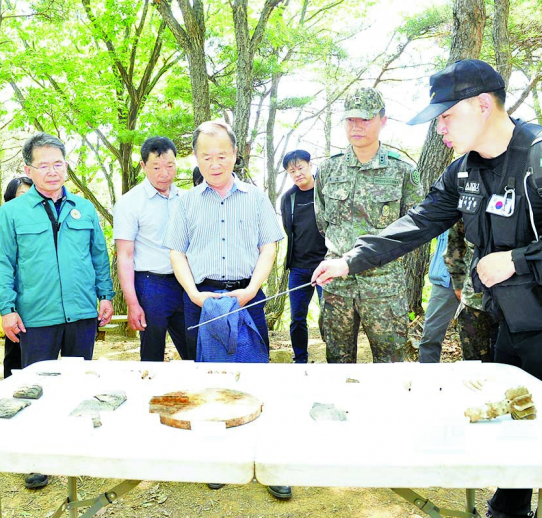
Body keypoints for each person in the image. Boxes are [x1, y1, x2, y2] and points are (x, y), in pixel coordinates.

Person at [312, 59, 542, 518]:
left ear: (483, 105)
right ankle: (509, 505)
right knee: (514, 420)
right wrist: (350, 260)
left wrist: (518, 260)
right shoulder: (464, 171)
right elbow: (418, 222)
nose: (439, 128)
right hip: (507, 323)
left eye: (446, 116)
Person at [163, 120, 290, 500]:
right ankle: (216, 459)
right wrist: (194, 293)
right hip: (200, 298)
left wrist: (251, 289)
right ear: (196, 159)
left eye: (222, 155)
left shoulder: (255, 197)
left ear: (235, 155)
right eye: (206, 157)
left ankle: (269, 462)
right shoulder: (185, 202)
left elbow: (269, 245)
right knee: (207, 379)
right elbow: (176, 251)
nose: (214, 164)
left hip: (247, 295)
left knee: (255, 375)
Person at [0, 133, 115, 489]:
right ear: (29, 169)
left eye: (57, 164)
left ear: (66, 165)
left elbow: (97, 257)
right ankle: (36, 457)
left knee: (78, 383)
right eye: (42, 165)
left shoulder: (85, 208)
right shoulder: (13, 211)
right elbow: (3, 262)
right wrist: (7, 307)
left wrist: (105, 295)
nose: (51, 172)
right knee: (35, 387)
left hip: (81, 314)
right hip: (36, 316)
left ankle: (74, 449)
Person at [314, 87, 423, 364]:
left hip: (384, 286)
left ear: (382, 120)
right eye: (350, 120)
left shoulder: (402, 171)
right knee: (337, 361)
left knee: (391, 364)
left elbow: (413, 230)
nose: (356, 126)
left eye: (365, 119)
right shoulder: (328, 171)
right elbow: (323, 223)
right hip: (338, 287)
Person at [113, 137, 187, 361]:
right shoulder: (130, 203)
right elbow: (124, 256)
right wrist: (132, 304)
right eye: (156, 167)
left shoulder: (187, 198)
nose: (164, 173)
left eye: (170, 166)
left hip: (186, 282)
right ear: (144, 166)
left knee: (193, 346)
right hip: (151, 284)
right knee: (153, 350)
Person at [279, 150, 327, 363]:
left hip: (325, 267)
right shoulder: (289, 198)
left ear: (310, 165)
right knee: (297, 317)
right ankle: (300, 359)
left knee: (329, 317)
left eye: (300, 168)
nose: (297, 173)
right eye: (292, 171)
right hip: (298, 268)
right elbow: (290, 231)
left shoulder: (325, 191)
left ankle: (336, 360)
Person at [444, 220, 496, 363]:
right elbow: (454, 245)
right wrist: (459, 282)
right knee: (475, 366)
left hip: (518, 304)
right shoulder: (475, 202)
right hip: (475, 304)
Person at [0, 176, 33, 378]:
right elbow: (4, 266)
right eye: (22, 195)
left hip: (42, 301)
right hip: (17, 298)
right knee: (15, 354)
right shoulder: (7, 221)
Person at [417, 229, 460, 362]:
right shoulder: (446, 209)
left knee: (476, 340)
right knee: (430, 337)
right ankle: (428, 379)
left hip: (475, 281)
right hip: (444, 282)